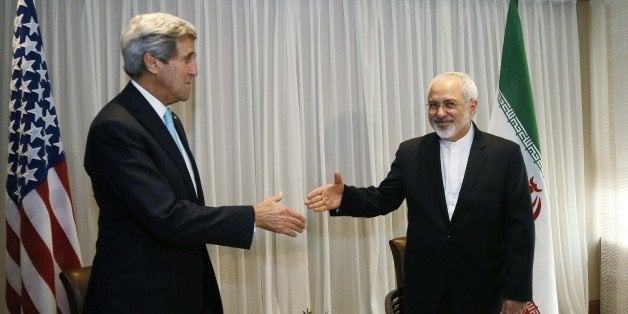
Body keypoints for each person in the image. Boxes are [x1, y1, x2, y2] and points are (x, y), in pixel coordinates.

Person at [83, 12, 306, 313]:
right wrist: (253, 216)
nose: (195, 70)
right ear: (153, 64)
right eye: (187, 59)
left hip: (182, 291)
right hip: (140, 301)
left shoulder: (166, 119)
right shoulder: (115, 128)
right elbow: (167, 217)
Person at [305, 72, 534, 313]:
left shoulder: (504, 154)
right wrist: (346, 197)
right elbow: (384, 198)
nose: (440, 113)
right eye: (433, 105)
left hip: (482, 289)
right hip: (425, 290)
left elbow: (520, 229)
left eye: (449, 104)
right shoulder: (411, 152)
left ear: (472, 107)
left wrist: (517, 294)